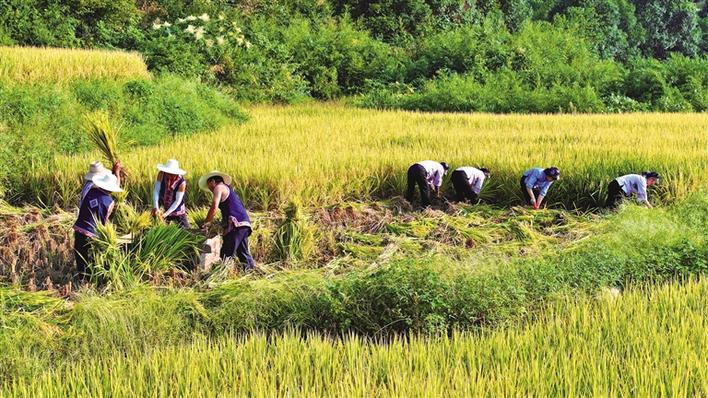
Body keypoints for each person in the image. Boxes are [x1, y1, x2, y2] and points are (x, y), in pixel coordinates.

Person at [199, 170, 255, 270]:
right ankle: (251, 274)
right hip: (244, 224)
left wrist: (206, 222)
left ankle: (220, 276)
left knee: (226, 253)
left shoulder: (219, 187)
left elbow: (214, 207)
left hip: (236, 225)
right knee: (243, 253)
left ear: (212, 181)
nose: (210, 188)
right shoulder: (228, 189)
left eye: (209, 185)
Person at [73, 171, 123, 280]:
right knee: (92, 259)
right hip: (92, 234)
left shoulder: (90, 190)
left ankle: (81, 279)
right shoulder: (110, 202)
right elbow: (103, 222)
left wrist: (117, 173)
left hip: (78, 228)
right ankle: (91, 281)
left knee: (80, 256)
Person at [152, 159, 189, 228]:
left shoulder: (182, 183)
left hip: (177, 210)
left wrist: (165, 214)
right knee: (156, 228)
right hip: (163, 206)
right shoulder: (161, 174)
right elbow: (156, 190)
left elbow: (177, 201)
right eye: (168, 173)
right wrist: (156, 207)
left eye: (172, 174)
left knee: (185, 231)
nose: (169, 176)